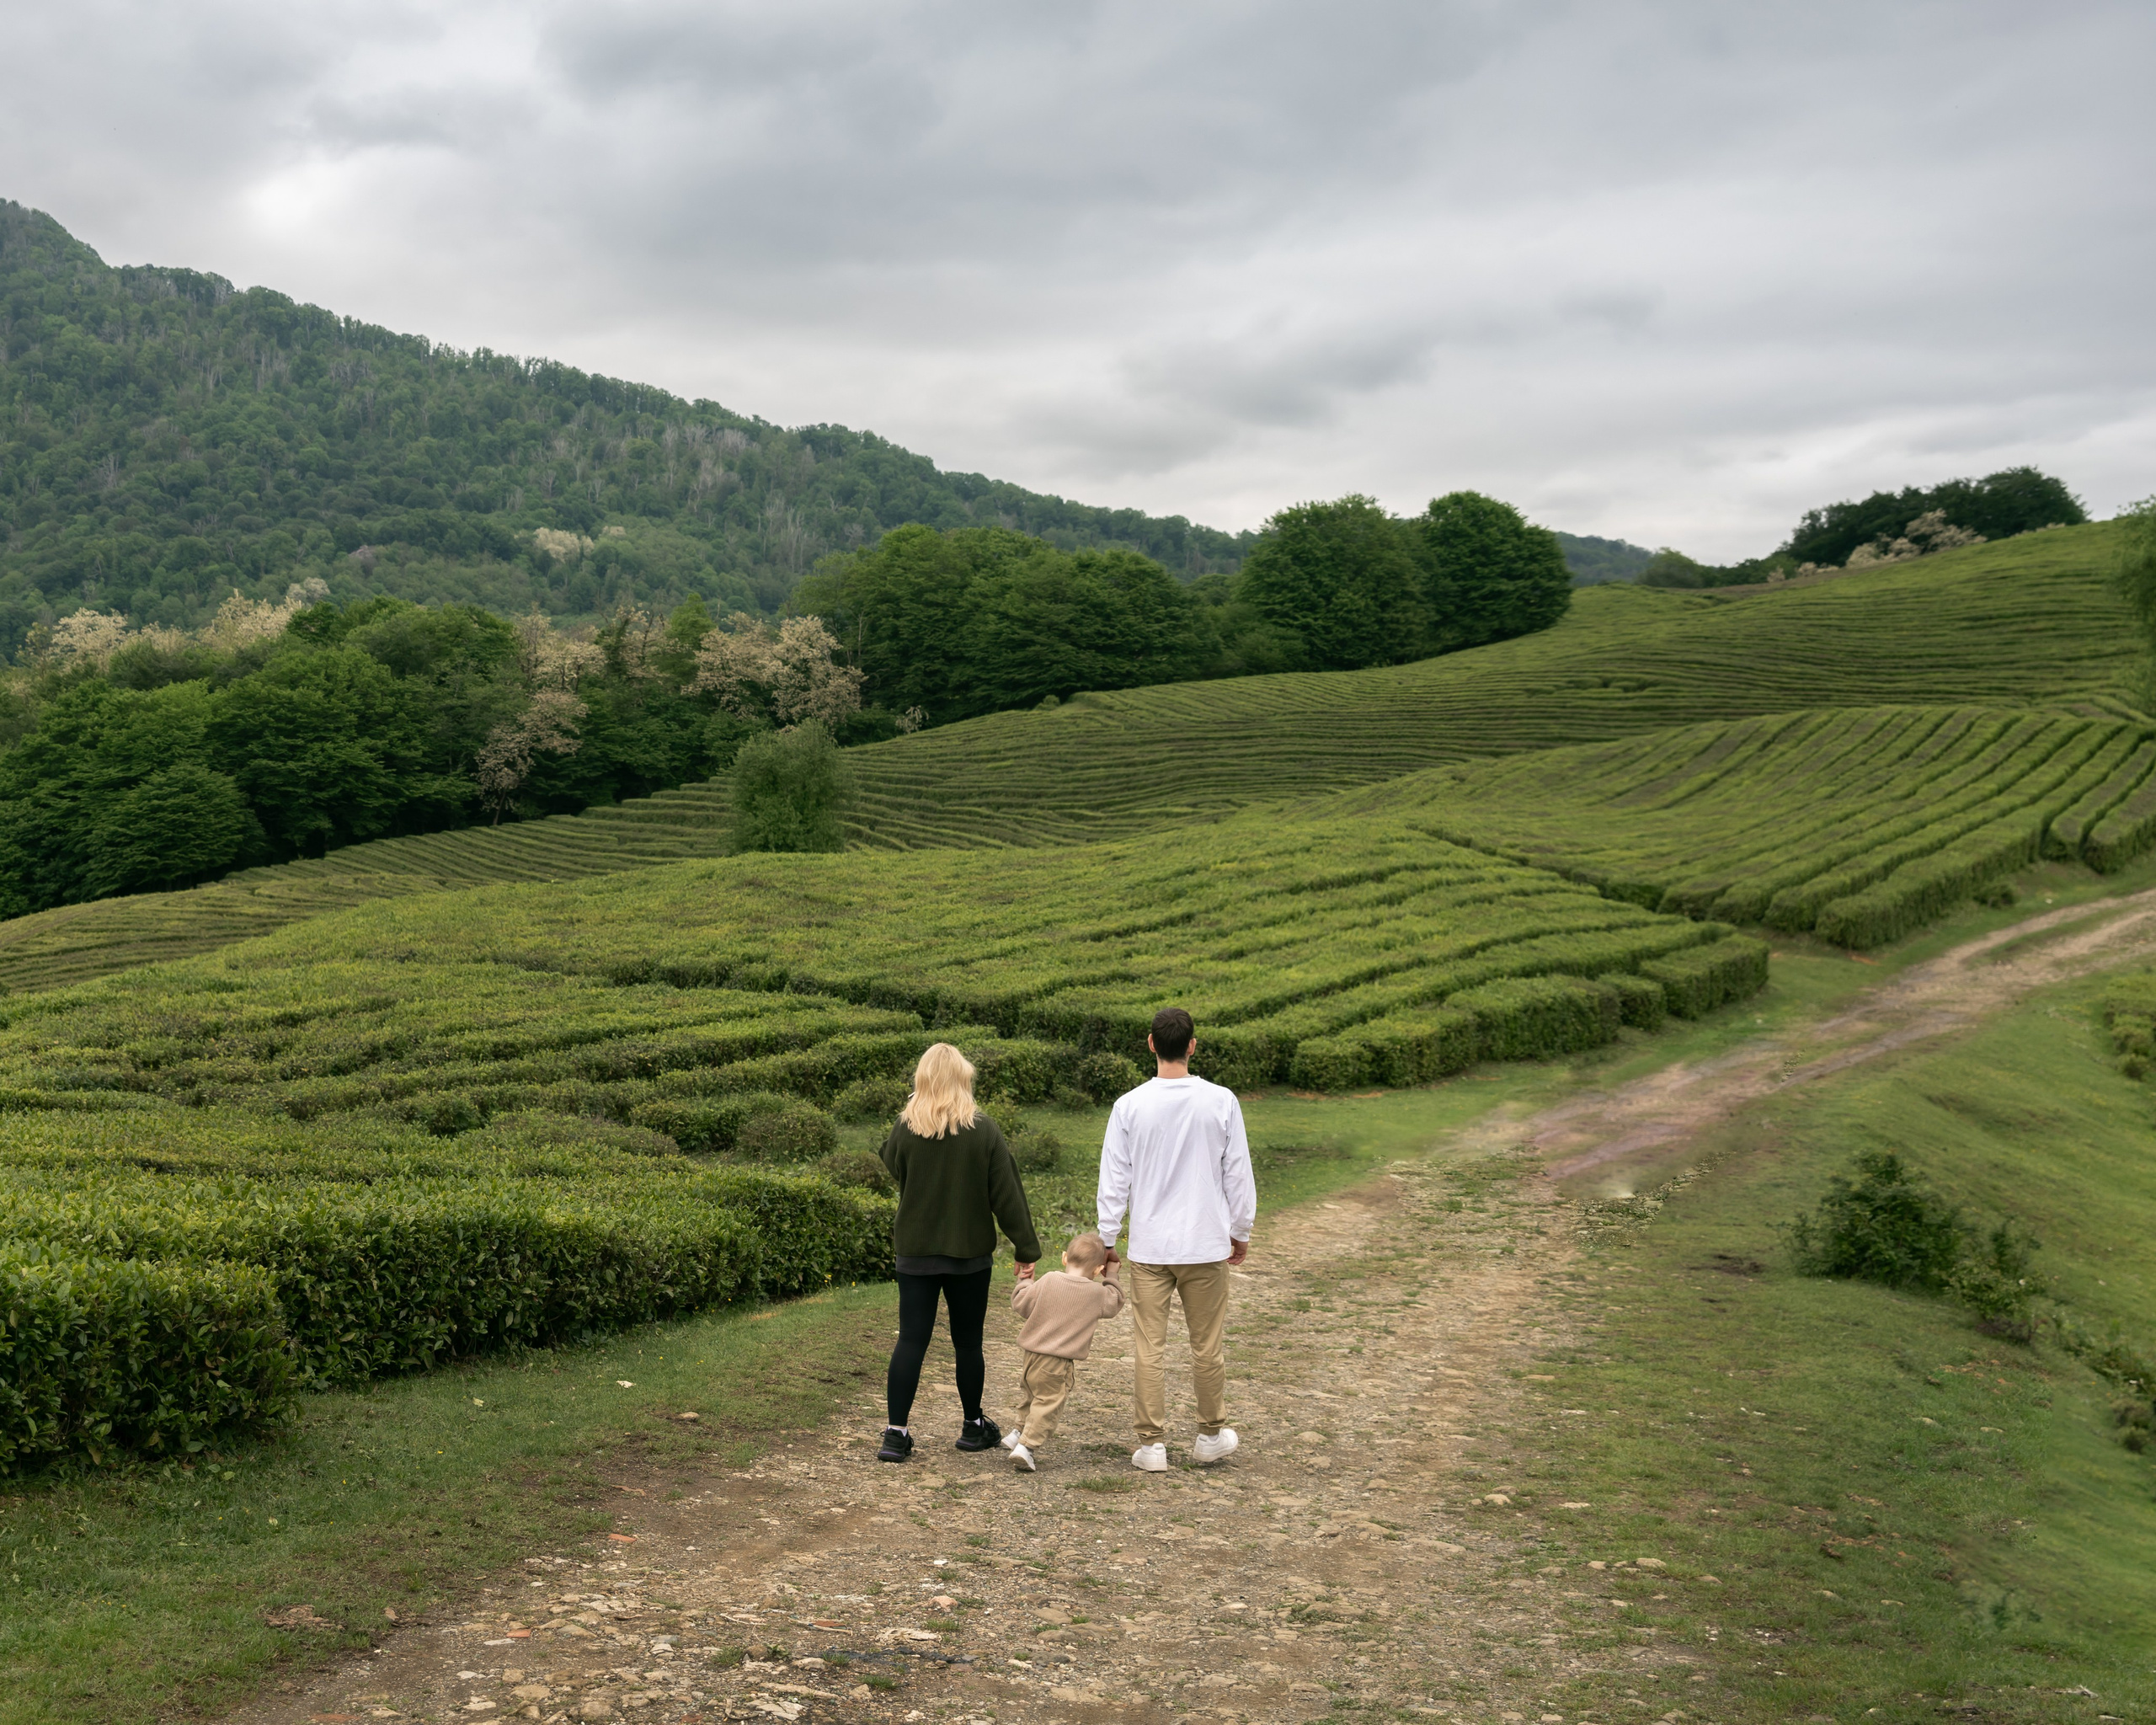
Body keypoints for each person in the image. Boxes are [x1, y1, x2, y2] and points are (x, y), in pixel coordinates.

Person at [1096, 1006, 1257, 1473]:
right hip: (1206, 1244)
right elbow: (1237, 1172)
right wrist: (1240, 1230)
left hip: (1151, 1247)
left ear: (1151, 1044)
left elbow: (1115, 1177)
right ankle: (1210, 1435)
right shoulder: (1221, 1101)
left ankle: (1152, 1445)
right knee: (1207, 1345)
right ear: (1192, 1046)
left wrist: (1109, 1235)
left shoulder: (1129, 1106)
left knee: (1149, 1347)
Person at [877, 1042, 1042, 1464]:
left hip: (915, 1254)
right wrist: (1025, 1247)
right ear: (963, 1080)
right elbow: (1006, 1193)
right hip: (969, 1257)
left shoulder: (905, 1126)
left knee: (911, 1340)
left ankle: (895, 1435)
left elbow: (891, 1162)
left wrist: (912, 1110)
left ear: (922, 1081)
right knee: (968, 1343)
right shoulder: (982, 1129)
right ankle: (972, 1427)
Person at [1001, 1231, 1124, 1472]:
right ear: (1097, 1270)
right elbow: (1115, 1302)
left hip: (1031, 1356)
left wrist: (1025, 1281)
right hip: (1057, 1362)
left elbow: (1021, 1304)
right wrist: (1112, 1275)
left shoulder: (1049, 1279)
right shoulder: (1096, 1292)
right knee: (1048, 1403)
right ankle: (1026, 1447)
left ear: (1065, 1258)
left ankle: (1017, 1433)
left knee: (1031, 1397)